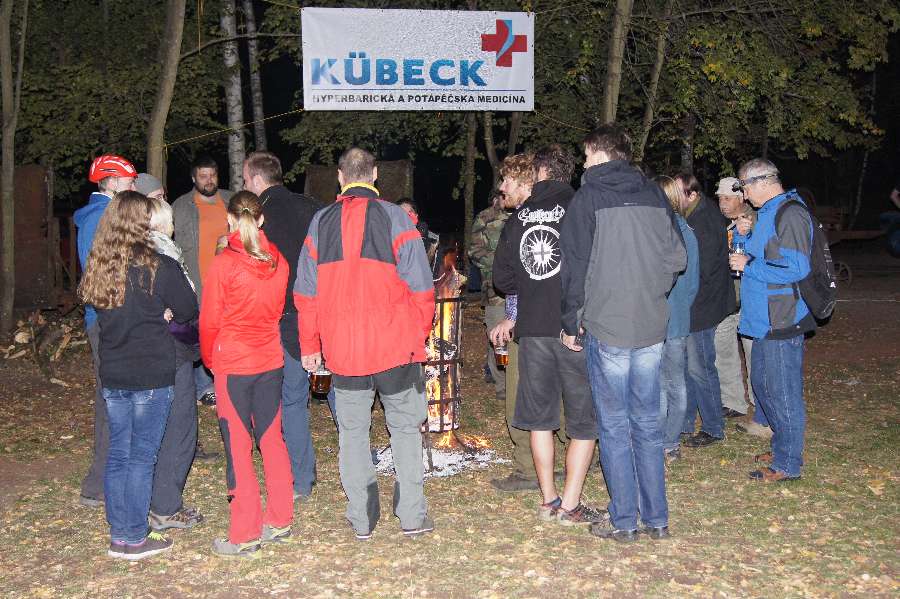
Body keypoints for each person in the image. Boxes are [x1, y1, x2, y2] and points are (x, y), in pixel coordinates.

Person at [295, 147, 435, 540]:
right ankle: (411, 515)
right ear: (374, 175)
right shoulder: (397, 218)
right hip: (395, 348)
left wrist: (310, 345)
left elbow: (305, 294)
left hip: (344, 352)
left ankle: (361, 518)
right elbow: (422, 288)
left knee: (353, 433)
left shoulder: (320, 222)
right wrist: (416, 335)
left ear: (340, 177)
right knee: (405, 429)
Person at [561, 125, 686, 542]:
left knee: (615, 425)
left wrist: (571, 321)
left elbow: (574, 267)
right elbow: (677, 258)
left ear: (599, 153)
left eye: (585, 155)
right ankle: (657, 519)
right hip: (649, 323)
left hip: (608, 324)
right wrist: (652, 291)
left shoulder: (588, 197)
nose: (583, 163)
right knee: (647, 422)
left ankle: (625, 521)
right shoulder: (654, 194)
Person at [78, 191, 198, 560]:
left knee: (119, 453)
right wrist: (164, 311)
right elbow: (188, 309)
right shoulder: (159, 266)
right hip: (150, 373)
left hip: (114, 372)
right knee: (141, 457)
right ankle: (133, 537)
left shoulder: (101, 266)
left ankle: (121, 533)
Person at [493, 146, 602, 526]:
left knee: (540, 420)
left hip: (533, 331)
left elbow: (502, 279)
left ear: (538, 173)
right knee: (583, 421)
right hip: (575, 329)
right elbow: (596, 265)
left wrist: (531, 288)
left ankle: (548, 499)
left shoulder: (518, 218)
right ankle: (570, 504)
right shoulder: (582, 207)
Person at [200, 191, 294, 556]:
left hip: (235, 364)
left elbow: (210, 321)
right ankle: (280, 518)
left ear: (229, 219)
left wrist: (211, 359)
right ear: (261, 219)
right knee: (272, 440)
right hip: (269, 360)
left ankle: (245, 532)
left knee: (239, 448)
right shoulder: (279, 262)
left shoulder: (224, 265)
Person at [242, 151, 335, 502]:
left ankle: (302, 479)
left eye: (245, 179)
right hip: (323, 313)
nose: (244, 184)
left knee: (293, 400)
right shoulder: (312, 207)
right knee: (338, 391)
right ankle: (356, 465)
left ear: (256, 180)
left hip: (287, 318)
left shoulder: (260, 219)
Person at [729, 158, 814, 483]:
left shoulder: (790, 213)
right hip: (763, 318)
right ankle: (782, 446)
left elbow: (797, 268)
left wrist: (749, 265)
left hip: (781, 317)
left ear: (762, 181)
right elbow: (759, 254)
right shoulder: (767, 213)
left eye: (744, 186)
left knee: (782, 392)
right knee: (763, 386)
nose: (743, 194)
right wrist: (744, 237)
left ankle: (788, 463)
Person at [74, 154, 138, 508]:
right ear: (111, 182)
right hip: (107, 320)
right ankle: (98, 483)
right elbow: (102, 274)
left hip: (107, 318)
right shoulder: (101, 217)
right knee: (110, 398)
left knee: (115, 396)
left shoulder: (104, 214)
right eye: (129, 182)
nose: (133, 187)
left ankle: (108, 476)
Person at [143, 194, 205, 531]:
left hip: (144, 352)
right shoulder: (165, 258)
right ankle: (165, 506)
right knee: (179, 427)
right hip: (173, 351)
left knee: (152, 427)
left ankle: (149, 499)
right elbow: (187, 307)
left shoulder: (126, 256)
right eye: (171, 221)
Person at [677, 173, 736, 448]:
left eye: (678, 194)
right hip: (697, 305)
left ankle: (713, 427)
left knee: (701, 367)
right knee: (689, 367)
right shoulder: (695, 214)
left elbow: (702, 271)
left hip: (703, 306)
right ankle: (686, 422)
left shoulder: (703, 220)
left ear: (692, 194)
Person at [172, 155, 234, 407]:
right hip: (197, 284)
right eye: (203, 176)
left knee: (227, 333)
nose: (209, 181)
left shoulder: (232, 201)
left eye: (213, 175)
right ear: (193, 178)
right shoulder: (180, 207)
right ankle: (203, 387)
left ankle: (227, 380)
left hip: (230, 284)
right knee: (200, 335)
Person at [714, 177, 773, 440]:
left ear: (741, 198)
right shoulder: (717, 223)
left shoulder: (756, 221)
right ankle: (733, 401)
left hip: (750, 299)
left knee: (754, 354)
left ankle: (761, 408)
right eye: (719, 198)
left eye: (727, 198)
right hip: (725, 299)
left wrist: (745, 235)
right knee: (722, 348)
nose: (722, 203)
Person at [654, 176, 700, 464]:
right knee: (670, 383)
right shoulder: (683, 231)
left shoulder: (670, 232)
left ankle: (665, 441)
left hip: (665, 319)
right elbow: (692, 284)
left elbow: (690, 282)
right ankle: (666, 441)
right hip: (672, 318)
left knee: (665, 384)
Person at [469, 191, 510, 402]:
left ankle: (516, 380)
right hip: (495, 291)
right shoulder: (485, 218)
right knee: (499, 339)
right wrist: (502, 262)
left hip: (523, 291)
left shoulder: (522, 215)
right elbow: (475, 251)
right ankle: (502, 384)